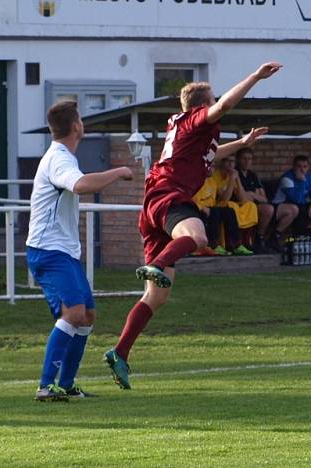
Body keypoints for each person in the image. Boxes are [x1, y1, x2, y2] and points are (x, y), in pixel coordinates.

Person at [104, 61, 280, 390]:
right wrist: (255, 76)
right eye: (211, 101)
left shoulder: (187, 132)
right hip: (169, 195)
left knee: (156, 297)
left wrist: (242, 144)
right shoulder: (196, 119)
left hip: (156, 201)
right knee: (197, 234)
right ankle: (157, 263)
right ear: (202, 105)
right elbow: (226, 104)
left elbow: (209, 156)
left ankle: (120, 352)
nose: (216, 105)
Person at [26, 100, 133, 401]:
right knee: (73, 313)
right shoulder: (59, 158)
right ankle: (46, 385)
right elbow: (81, 185)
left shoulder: (62, 156)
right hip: (48, 250)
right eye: (81, 119)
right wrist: (119, 171)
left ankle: (68, 384)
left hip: (63, 251)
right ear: (75, 126)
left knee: (87, 314)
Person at [270, 155, 311, 249]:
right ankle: (300, 238)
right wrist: (301, 181)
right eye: (299, 166)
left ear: (308, 167)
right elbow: (296, 199)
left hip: (298, 205)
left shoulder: (310, 177)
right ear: (294, 167)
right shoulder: (287, 178)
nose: (302, 170)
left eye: (305, 167)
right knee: (300, 208)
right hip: (281, 206)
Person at [210, 156, 256, 255]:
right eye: (228, 161)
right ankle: (221, 245)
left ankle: (241, 244)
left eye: (233, 162)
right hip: (215, 205)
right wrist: (231, 179)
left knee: (250, 206)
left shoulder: (234, 175)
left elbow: (243, 199)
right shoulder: (215, 176)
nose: (231, 164)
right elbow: (224, 198)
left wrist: (237, 179)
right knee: (230, 206)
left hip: (228, 206)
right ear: (222, 162)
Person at [192, 169, 242, 256]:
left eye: (213, 166)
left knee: (229, 211)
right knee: (214, 212)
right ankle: (213, 246)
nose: (212, 169)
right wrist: (202, 207)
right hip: (196, 209)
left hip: (211, 209)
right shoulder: (194, 181)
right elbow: (188, 198)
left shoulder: (212, 181)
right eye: (210, 166)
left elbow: (216, 200)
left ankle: (235, 245)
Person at [236, 147, 275, 253]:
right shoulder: (235, 173)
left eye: (250, 159)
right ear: (238, 159)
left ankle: (259, 238)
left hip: (253, 206)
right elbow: (242, 197)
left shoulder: (253, 175)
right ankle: (244, 242)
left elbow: (264, 199)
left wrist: (252, 194)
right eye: (244, 158)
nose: (247, 161)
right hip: (238, 205)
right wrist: (252, 195)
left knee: (268, 209)